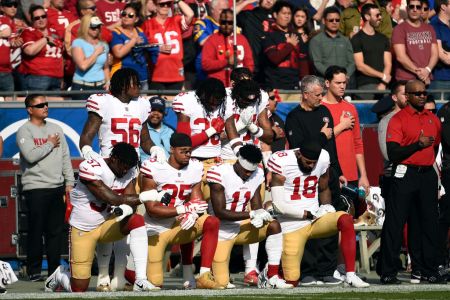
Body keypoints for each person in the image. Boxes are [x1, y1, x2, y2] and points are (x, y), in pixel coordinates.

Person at [79, 68, 166, 291]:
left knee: (125, 222)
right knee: (107, 219)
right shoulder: (104, 102)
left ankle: (120, 276)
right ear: (121, 84)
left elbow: (144, 137)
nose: (138, 86)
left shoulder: (141, 105)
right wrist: (87, 150)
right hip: (110, 166)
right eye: (133, 82)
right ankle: (103, 275)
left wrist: (154, 148)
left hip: (130, 169)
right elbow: (88, 133)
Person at [44, 142, 161, 292]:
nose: (125, 170)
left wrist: (128, 208)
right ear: (113, 158)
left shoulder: (129, 171)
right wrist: (145, 196)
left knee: (136, 220)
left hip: (107, 224)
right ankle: (60, 275)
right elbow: (112, 199)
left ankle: (140, 279)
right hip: (84, 228)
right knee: (78, 289)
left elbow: (129, 199)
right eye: (123, 165)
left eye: (129, 167)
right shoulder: (92, 168)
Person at [268, 140, 370, 288]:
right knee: (292, 281)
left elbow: (323, 188)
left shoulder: (322, 158)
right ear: (298, 154)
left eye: (314, 163)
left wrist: (326, 206)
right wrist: (307, 214)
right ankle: (268, 273)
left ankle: (350, 275)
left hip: (315, 219)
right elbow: (278, 206)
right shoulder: (282, 161)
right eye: (308, 162)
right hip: (291, 224)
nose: (311, 166)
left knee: (345, 219)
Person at [378, 80, 444, 284]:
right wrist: (417, 146)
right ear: (407, 96)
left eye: (424, 93)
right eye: (418, 94)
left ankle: (428, 269)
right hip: (404, 173)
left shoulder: (433, 119)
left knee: (429, 223)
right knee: (395, 224)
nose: (423, 96)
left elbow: (435, 149)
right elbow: (393, 153)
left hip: (426, 174)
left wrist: (423, 158)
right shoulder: (397, 119)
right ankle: (388, 271)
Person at [138, 133, 222, 289]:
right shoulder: (154, 166)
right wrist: (183, 209)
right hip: (156, 229)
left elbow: (198, 201)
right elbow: (152, 210)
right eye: (183, 151)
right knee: (155, 283)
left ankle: (203, 274)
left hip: (178, 224)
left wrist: (193, 212)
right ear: (172, 149)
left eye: (189, 151)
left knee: (211, 221)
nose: (187, 155)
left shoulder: (195, 167)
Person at [284, 75, 346, 285]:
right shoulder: (294, 117)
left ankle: (327, 270)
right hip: (307, 177)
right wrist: (322, 136)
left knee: (329, 220)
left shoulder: (324, 111)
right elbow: (299, 147)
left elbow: (332, 145)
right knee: (308, 222)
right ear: (306, 94)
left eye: (322, 94)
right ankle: (308, 271)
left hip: (329, 175)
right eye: (318, 95)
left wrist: (339, 171)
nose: (321, 98)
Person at [207, 144, 292, 289]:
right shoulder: (219, 172)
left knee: (274, 225)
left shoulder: (257, 173)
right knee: (221, 283)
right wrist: (251, 214)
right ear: (238, 161)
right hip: (221, 230)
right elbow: (220, 212)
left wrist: (260, 214)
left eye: (250, 172)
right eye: (246, 171)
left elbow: (256, 204)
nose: (248, 174)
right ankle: (213, 273)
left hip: (243, 226)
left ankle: (270, 276)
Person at [16, 94, 75, 282]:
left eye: (46, 104)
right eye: (40, 105)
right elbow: (31, 156)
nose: (45, 107)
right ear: (29, 109)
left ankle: (54, 271)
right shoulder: (24, 131)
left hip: (57, 187)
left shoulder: (56, 128)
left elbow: (65, 156)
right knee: (36, 230)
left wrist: (69, 183)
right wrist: (50, 143)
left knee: (55, 232)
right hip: (36, 188)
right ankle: (33, 271)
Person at [321, 66, 370, 206]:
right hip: (328, 174)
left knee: (351, 218)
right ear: (327, 83)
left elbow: (358, 144)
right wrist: (342, 126)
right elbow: (319, 141)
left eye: (344, 83)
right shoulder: (319, 108)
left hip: (351, 174)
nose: (342, 86)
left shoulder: (350, 108)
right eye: (338, 83)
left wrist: (363, 175)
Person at [173, 77, 226, 201]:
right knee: (193, 207)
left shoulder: (225, 103)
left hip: (215, 162)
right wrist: (212, 130)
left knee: (215, 208)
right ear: (202, 95)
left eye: (217, 102)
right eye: (211, 101)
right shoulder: (188, 101)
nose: (214, 105)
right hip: (192, 161)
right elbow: (183, 142)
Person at [142, 0, 194, 90]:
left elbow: (190, 14)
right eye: (162, 4)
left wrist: (177, 1)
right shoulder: (147, 25)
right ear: (155, 5)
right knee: (157, 103)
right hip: (157, 74)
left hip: (176, 72)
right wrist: (157, 48)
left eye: (168, 4)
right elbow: (141, 46)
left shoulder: (176, 20)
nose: (166, 6)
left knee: (175, 103)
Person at [111, 2, 159, 90]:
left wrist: (160, 48)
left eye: (130, 15)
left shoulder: (139, 31)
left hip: (141, 76)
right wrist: (133, 41)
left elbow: (147, 49)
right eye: (124, 14)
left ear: (136, 19)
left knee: (142, 103)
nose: (126, 16)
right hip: (124, 77)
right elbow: (118, 53)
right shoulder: (116, 32)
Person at [373, 81, 407, 200]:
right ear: (394, 97)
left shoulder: (417, 118)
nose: (408, 96)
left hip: (415, 175)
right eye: (404, 94)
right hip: (394, 175)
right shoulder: (387, 121)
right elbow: (388, 154)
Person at [201, 9, 254, 87]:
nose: (226, 25)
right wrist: (226, 62)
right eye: (223, 22)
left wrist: (244, 79)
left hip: (239, 85)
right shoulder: (212, 40)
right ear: (219, 21)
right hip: (218, 85)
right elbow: (205, 64)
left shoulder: (242, 39)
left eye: (230, 23)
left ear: (234, 22)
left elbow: (250, 64)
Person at [351, 3, 392, 100]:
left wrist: (383, 82)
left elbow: (388, 63)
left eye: (380, 15)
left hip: (384, 85)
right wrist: (382, 76)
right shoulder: (357, 39)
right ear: (367, 16)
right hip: (365, 85)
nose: (380, 18)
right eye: (377, 15)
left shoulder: (383, 39)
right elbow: (360, 66)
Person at [18, 4, 64, 91]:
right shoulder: (29, 32)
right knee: (36, 104)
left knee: (55, 104)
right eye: (37, 18)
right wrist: (45, 39)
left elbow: (60, 57)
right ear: (32, 20)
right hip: (37, 77)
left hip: (56, 78)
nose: (41, 20)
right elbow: (29, 50)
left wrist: (62, 77)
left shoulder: (55, 33)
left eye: (43, 16)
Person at [392, 0, 438, 84]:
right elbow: (400, 57)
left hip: (427, 79)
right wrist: (420, 73)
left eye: (418, 7)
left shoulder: (429, 28)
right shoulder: (399, 29)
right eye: (411, 6)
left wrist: (427, 70)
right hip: (406, 80)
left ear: (421, 10)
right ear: (406, 8)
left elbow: (435, 53)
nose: (415, 9)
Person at [262, 1, 303, 91]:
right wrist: (290, 45)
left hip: (294, 84)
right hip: (275, 85)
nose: (287, 16)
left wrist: (304, 81)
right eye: (284, 13)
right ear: (275, 15)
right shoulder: (269, 36)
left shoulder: (296, 36)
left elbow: (303, 61)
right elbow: (274, 58)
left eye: (289, 14)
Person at [309, 6, 355, 81]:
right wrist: (332, 76)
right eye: (331, 20)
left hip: (343, 83)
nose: (334, 22)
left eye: (337, 20)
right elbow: (316, 63)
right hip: (324, 82)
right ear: (324, 21)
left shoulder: (345, 40)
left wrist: (345, 75)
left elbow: (352, 62)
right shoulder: (316, 40)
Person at [71, 15, 109, 100]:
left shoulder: (104, 45)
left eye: (98, 26)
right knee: (81, 113)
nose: (96, 29)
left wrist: (108, 82)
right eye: (93, 26)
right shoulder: (78, 43)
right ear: (85, 26)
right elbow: (83, 66)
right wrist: (96, 53)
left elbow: (106, 67)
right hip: (82, 86)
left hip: (100, 87)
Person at [237, 0, 276, 82]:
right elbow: (229, 14)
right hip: (253, 67)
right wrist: (246, 2)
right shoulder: (248, 16)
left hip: (272, 70)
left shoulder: (278, 18)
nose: (269, 1)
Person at [193, 0, 229, 82]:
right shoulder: (203, 23)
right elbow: (202, 42)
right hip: (206, 72)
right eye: (221, 10)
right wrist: (220, 32)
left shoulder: (231, 26)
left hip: (225, 70)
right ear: (212, 10)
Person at [139, 96, 174, 161]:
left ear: (164, 114)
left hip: (168, 168)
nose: (156, 113)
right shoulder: (140, 130)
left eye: (160, 111)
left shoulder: (171, 131)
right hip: (147, 168)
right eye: (153, 110)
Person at [430, 0, 450, 100]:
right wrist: (445, 55)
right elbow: (442, 56)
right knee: (440, 113)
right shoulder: (433, 26)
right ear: (443, 6)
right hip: (441, 81)